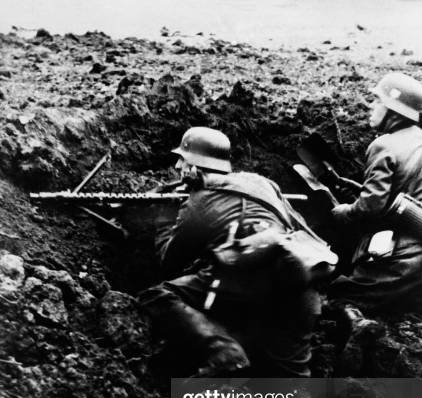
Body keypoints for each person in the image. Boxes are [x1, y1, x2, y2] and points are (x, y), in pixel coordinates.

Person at [139, 127, 332, 377]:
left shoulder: (200, 204)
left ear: (195, 167)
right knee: (292, 387)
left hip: (249, 288)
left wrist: (164, 216)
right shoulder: (261, 183)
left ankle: (225, 351)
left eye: (183, 160)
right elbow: (296, 226)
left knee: (158, 296)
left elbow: (169, 261)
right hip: (299, 293)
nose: (178, 167)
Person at [330, 72, 422, 314]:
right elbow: (408, 191)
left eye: (376, 100)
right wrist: (362, 191)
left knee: (338, 298)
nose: (370, 105)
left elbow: (371, 209)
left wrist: (344, 212)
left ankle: (358, 327)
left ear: (393, 109)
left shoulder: (384, 145)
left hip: (399, 261)